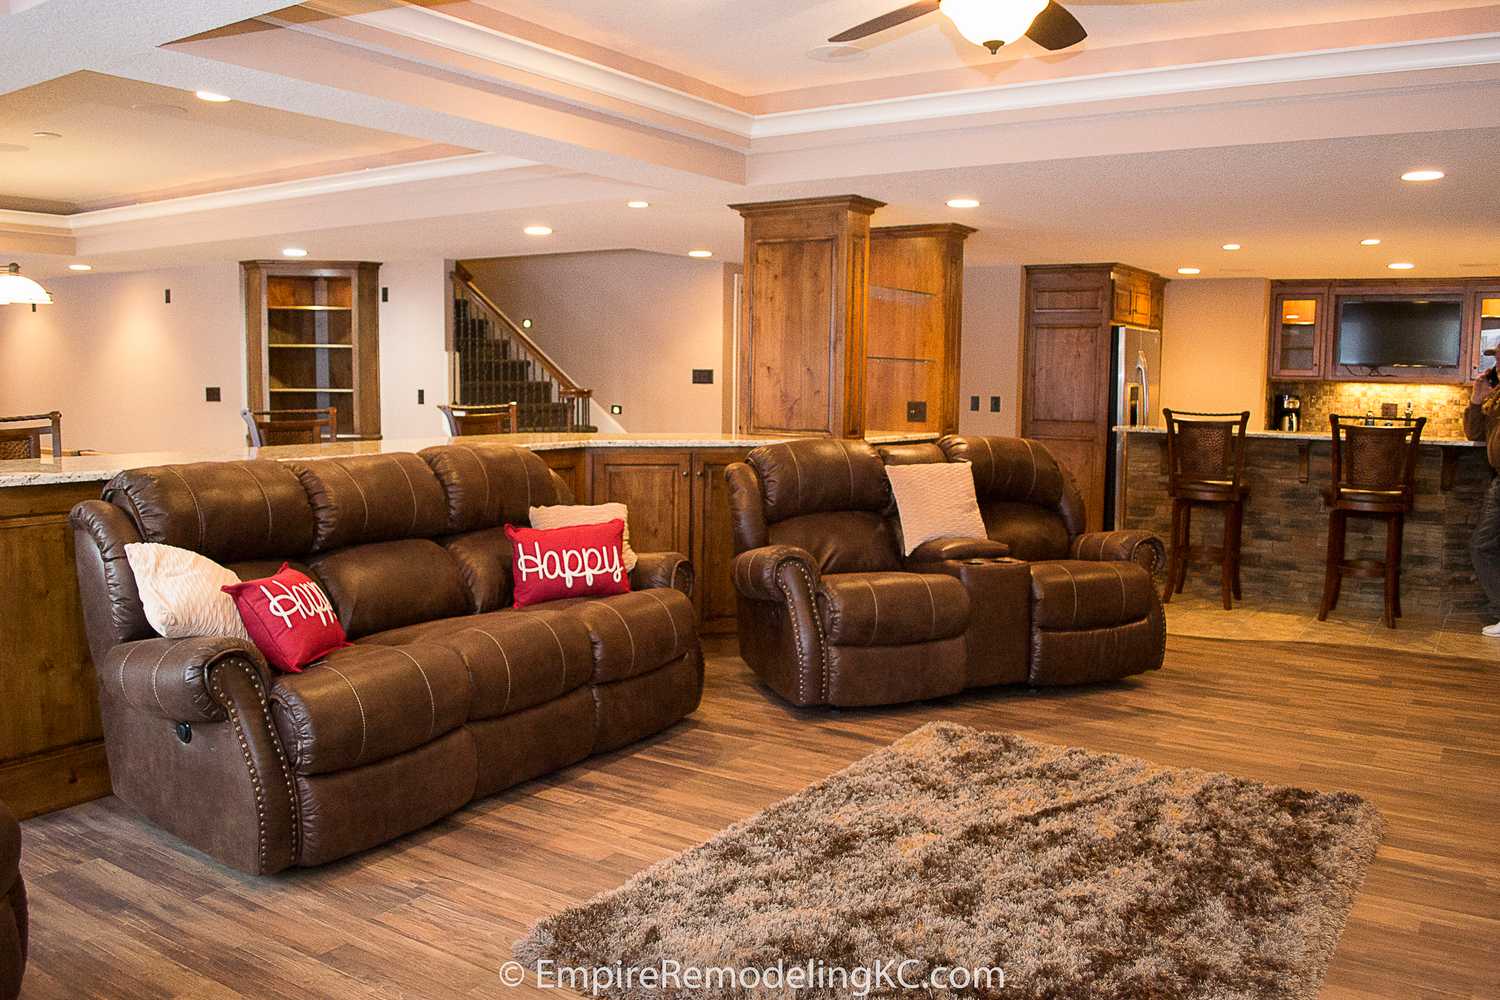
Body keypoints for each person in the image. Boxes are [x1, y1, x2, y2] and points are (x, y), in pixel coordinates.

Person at [1465, 346, 1500, 637]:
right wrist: (1477, 400)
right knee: (1483, 545)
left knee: (1483, 545)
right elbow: (1474, 433)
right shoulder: (1496, 398)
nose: (1495, 362)